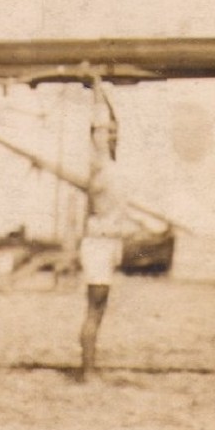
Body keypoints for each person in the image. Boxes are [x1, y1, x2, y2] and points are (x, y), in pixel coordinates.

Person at [78, 78, 127, 380]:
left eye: (115, 133)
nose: (112, 136)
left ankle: (90, 368)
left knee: (101, 308)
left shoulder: (110, 166)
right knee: (94, 308)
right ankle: (87, 371)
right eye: (108, 132)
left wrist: (107, 94)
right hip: (97, 244)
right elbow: (98, 127)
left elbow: (109, 123)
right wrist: (97, 91)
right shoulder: (98, 164)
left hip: (107, 243)